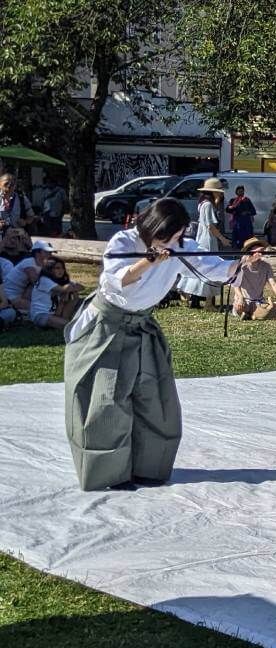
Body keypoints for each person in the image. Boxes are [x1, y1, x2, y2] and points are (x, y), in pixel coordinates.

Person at [64, 198, 247, 491]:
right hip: (107, 326)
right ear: (152, 227)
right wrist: (149, 259)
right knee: (106, 400)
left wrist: (242, 263)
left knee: (156, 398)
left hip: (142, 325)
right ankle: (108, 472)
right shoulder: (124, 241)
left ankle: (150, 467)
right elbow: (117, 280)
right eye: (168, 236)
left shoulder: (179, 248)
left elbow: (210, 266)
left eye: (178, 237)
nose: (173, 242)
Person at [177, 178, 231, 310]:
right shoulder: (208, 205)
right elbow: (210, 226)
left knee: (201, 268)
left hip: (203, 239)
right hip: (208, 240)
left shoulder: (204, 203)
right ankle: (208, 302)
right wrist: (223, 239)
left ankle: (192, 297)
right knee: (210, 268)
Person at [231, 237, 276, 320]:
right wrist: (240, 298)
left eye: (260, 250)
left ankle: (254, 314)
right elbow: (236, 286)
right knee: (239, 307)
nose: (259, 253)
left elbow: (273, 283)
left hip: (259, 302)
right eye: (256, 250)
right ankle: (260, 313)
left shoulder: (266, 266)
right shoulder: (241, 266)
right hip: (244, 302)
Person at [30, 256, 84, 329]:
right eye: (57, 268)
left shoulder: (59, 281)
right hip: (41, 315)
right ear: (49, 269)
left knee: (75, 294)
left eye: (62, 268)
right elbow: (64, 289)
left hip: (56, 314)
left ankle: (62, 322)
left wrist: (68, 291)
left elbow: (81, 287)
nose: (61, 271)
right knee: (71, 326)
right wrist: (67, 291)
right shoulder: (44, 280)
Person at [2, 240, 55, 312]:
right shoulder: (29, 263)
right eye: (47, 252)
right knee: (40, 307)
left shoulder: (40, 263)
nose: (50, 255)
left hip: (21, 293)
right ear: (37, 253)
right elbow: (37, 283)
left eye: (50, 253)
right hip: (9, 296)